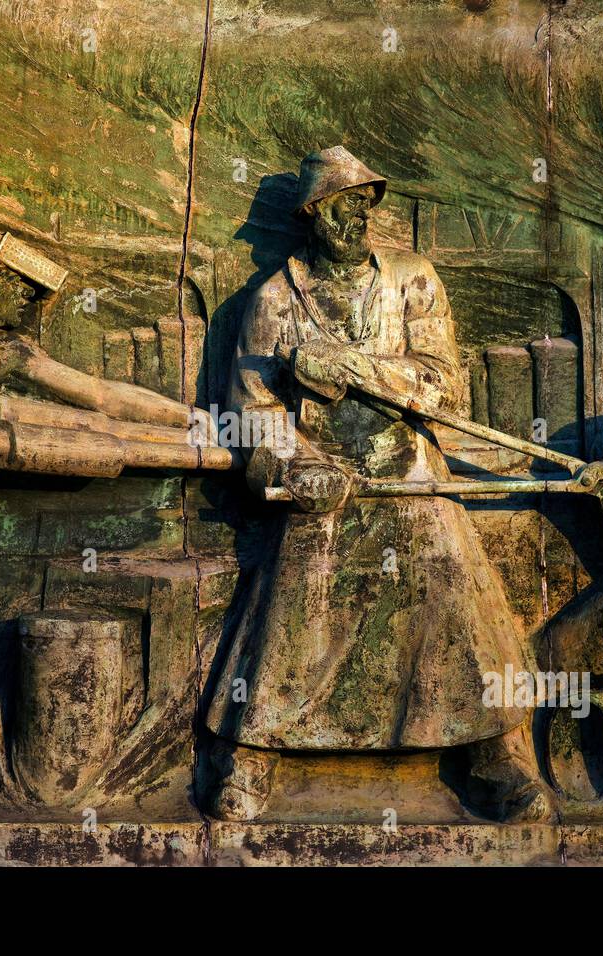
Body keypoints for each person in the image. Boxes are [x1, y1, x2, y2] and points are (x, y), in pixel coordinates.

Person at [203, 146, 550, 821]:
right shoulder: (274, 299)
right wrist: (294, 465)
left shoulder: (413, 280)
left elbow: (443, 387)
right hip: (322, 478)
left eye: (363, 204)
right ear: (312, 215)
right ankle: (251, 754)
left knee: (443, 559)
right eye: (339, 205)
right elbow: (252, 413)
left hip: (410, 470)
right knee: (298, 581)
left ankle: (494, 754)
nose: (353, 218)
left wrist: (353, 369)